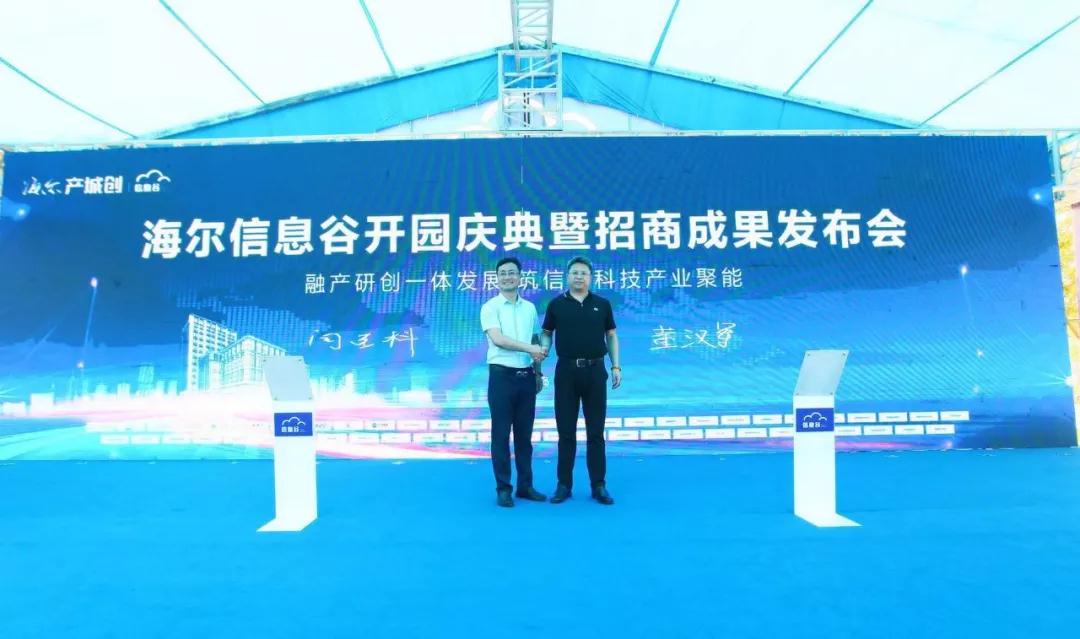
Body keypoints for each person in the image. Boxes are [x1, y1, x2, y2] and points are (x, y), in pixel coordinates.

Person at [540, 256, 621, 505]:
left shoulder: (602, 304)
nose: (579, 277)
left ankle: (599, 485)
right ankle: (564, 485)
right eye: (574, 272)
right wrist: (542, 353)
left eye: (583, 273)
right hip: (566, 372)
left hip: (595, 372)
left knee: (596, 432)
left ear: (591, 277)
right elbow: (546, 333)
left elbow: (611, 335)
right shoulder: (556, 305)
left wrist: (615, 366)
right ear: (567, 276)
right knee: (566, 432)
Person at [480, 256, 549, 507]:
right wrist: (531, 349)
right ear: (497, 279)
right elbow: (498, 339)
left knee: (524, 436)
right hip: (501, 377)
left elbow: (535, 339)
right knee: (500, 435)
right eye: (503, 273)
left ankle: (525, 486)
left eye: (512, 273)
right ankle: (503, 488)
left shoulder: (529, 308)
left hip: (526, 377)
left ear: (520, 277)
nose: (508, 277)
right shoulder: (490, 307)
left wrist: (538, 372)